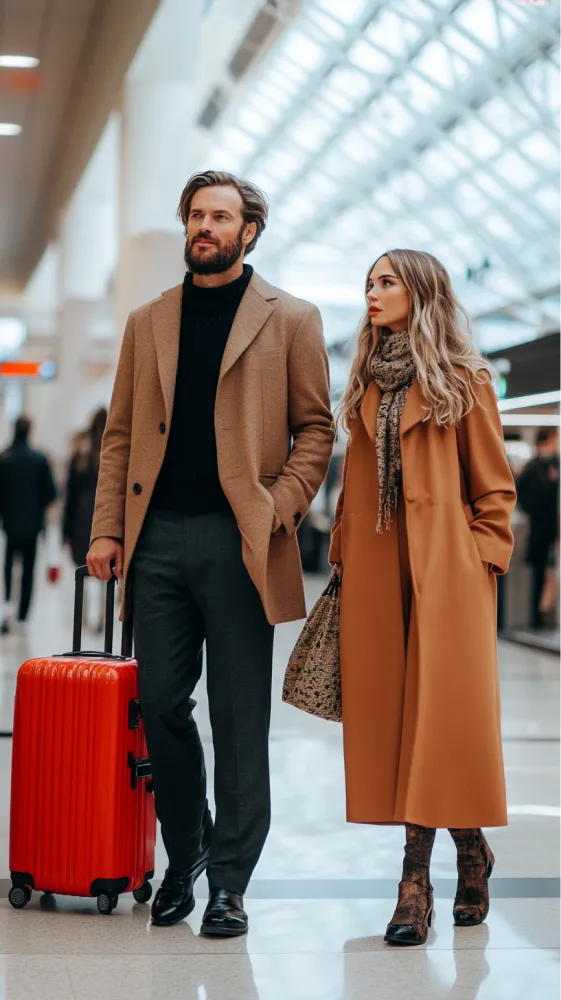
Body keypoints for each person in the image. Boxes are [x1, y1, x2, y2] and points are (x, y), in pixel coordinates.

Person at [87, 170, 334, 936]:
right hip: (156, 538)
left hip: (240, 544)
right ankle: (184, 850)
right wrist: (106, 529)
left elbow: (316, 430)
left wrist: (276, 509)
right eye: (196, 214)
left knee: (237, 721)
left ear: (248, 231)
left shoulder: (289, 318)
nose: (205, 226)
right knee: (160, 705)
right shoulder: (148, 320)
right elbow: (120, 433)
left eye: (220, 216)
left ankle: (229, 882)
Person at [329, 249, 516, 946]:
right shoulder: (365, 384)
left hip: (448, 577)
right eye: (368, 283)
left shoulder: (464, 379)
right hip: (380, 575)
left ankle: (414, 885)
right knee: (404, 724)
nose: (371, 294)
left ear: (421, 292)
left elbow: (493, 486)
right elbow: (352, 483)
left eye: (385, 282)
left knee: (441, 719)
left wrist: (480, 558)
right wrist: (345, 551)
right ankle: (470, 851)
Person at [0, 416, 57, 634]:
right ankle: (23, 616)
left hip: (10, 525)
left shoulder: (4, 458)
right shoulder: (39, 459)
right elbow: (51, 494)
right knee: (28, 570)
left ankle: (6, 606)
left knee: (7, 566)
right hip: (32, 526)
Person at [516, 428, 559, 629]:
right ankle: (538, 618)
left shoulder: (551, 464)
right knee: (540, 575)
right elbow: (526, 499)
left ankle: (542, 617)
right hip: (542, 531)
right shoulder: (536, 468)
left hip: (548, 531)